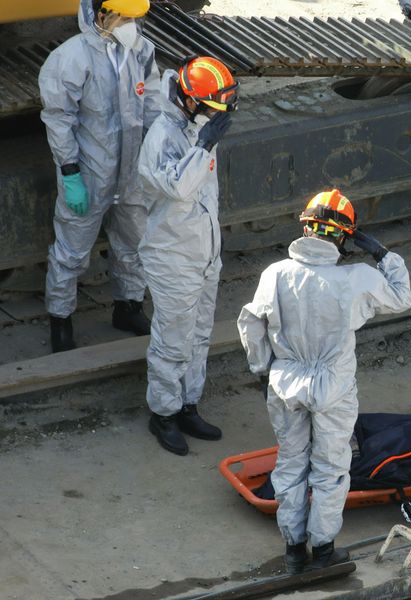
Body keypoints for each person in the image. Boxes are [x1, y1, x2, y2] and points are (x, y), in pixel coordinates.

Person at [237, 190, 411, 573]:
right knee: (331, 466)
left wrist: (263, 368)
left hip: (286, 381)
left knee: (291, 463)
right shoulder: (357, 277)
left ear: (304, 227)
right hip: (333, 384)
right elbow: (402, 297)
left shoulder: (275, 274)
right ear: (346, 236)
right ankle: (325, 548)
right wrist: (382, 254)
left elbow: (250, 322)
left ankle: (294, 551)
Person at [39, 0, 160, 352]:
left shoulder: (140, 50)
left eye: (137, 19)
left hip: (132, 170)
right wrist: (70, 172)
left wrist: (155, 155)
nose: (132, 26)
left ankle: (129, 306)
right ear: (101, 14)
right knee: (72, 250)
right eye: (125, 18)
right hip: (89, 171)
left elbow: (152, 103)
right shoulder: (72, 57)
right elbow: (60, 119)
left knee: (133, 242)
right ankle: (60, 319)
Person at [137, 56, 239, 456]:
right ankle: (162, 413)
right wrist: (205, 145)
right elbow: (179, 187)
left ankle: (187, 405)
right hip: (172, 256)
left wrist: (204, 141)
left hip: (204, 252)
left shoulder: (196, 127)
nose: (215, 117)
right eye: (211, 108)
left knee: (199, 337)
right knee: (173, 341)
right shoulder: (162, 136)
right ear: (188, 100)